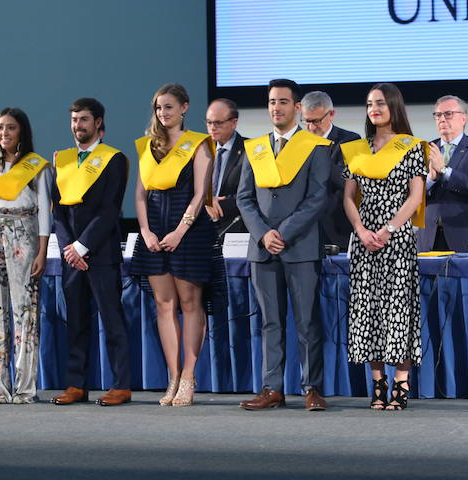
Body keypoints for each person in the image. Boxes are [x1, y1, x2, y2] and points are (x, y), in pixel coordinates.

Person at [236, 78, 331, 411]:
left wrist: (284, 233)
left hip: (300, 246)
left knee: (307, 322)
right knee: (270, 322)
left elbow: (317, 197)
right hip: (262, 248)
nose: (276, 108)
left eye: (283, 102)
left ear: (297, 107)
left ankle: (312, 388)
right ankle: (271, 388)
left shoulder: (315, 146)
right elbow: (244, 197)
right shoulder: (255, 147)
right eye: (272, 102)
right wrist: (264, 233)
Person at [128, 84, 219, 407]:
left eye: (168, 107)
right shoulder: (147, 146)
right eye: (158, 108)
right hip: (154, 232)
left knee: (191, 304)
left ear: (184, 107)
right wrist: (145, 231)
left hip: (189, 232)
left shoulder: (198, 144)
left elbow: (200, 193)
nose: (163, 113)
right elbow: (140, 194)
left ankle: (189, 376)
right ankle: (173, 376)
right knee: (163, 305)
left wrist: (181, 231)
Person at [341, 83, 427, 411]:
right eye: (369, 104)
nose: (373, 109)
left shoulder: (411, 147)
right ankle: (378, 381)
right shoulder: (357, 149)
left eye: (379, 103)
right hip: (365, 239)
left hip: (396, 239)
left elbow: (415, 196)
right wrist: (361, 229)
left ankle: (401, 381)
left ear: (393, 106)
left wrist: (388, 229)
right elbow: (349, 197)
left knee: (398, 309)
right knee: (369, 309)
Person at [50, 98, 132, 407]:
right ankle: (76, 385)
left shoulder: (114, 159)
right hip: (71, 256)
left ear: (98, 122)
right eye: (74, 119)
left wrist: (82, 246)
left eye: (83, 119)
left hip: (101, 253)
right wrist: (69, 248)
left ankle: (121, 386)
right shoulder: (63, 159)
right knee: (76, 322)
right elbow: (58, 211)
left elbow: (110, 209)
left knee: (112, 321)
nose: (77, 125)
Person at [0, 108, 50, 404]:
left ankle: (25, 388)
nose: (4, 133)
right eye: (1, 127)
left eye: (10, 128)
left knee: (25, 312)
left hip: (23, 236)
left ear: (21, 131)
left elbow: (44, 213)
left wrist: (42, 251)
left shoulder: (36, 167)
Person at [416, 95, 468, 253]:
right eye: (438, 115)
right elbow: (412, 194)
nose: (442, 119)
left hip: (462, 233)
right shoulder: (425, 150)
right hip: (429, 236)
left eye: (448, 114)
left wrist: (445, 171)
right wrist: (431, 179)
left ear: (463, 118)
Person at [301, 91, 360, 252]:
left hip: (336, 230)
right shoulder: (297, 143)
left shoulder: (351, 140)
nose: (311, 127)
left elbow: (346, 182)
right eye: (306, 121)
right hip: (304, 232)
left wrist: (319, 149)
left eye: (316, 121)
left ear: (331, 114)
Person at [204, 98, 248, 237]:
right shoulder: (201, 150)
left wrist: (221, 203)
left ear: (234, 123)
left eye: (218, 123)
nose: (212, 127)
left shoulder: (250, 149)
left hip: (236, 227)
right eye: (209, 122)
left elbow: (254, 194)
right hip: (203, 228)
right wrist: (207, 199)